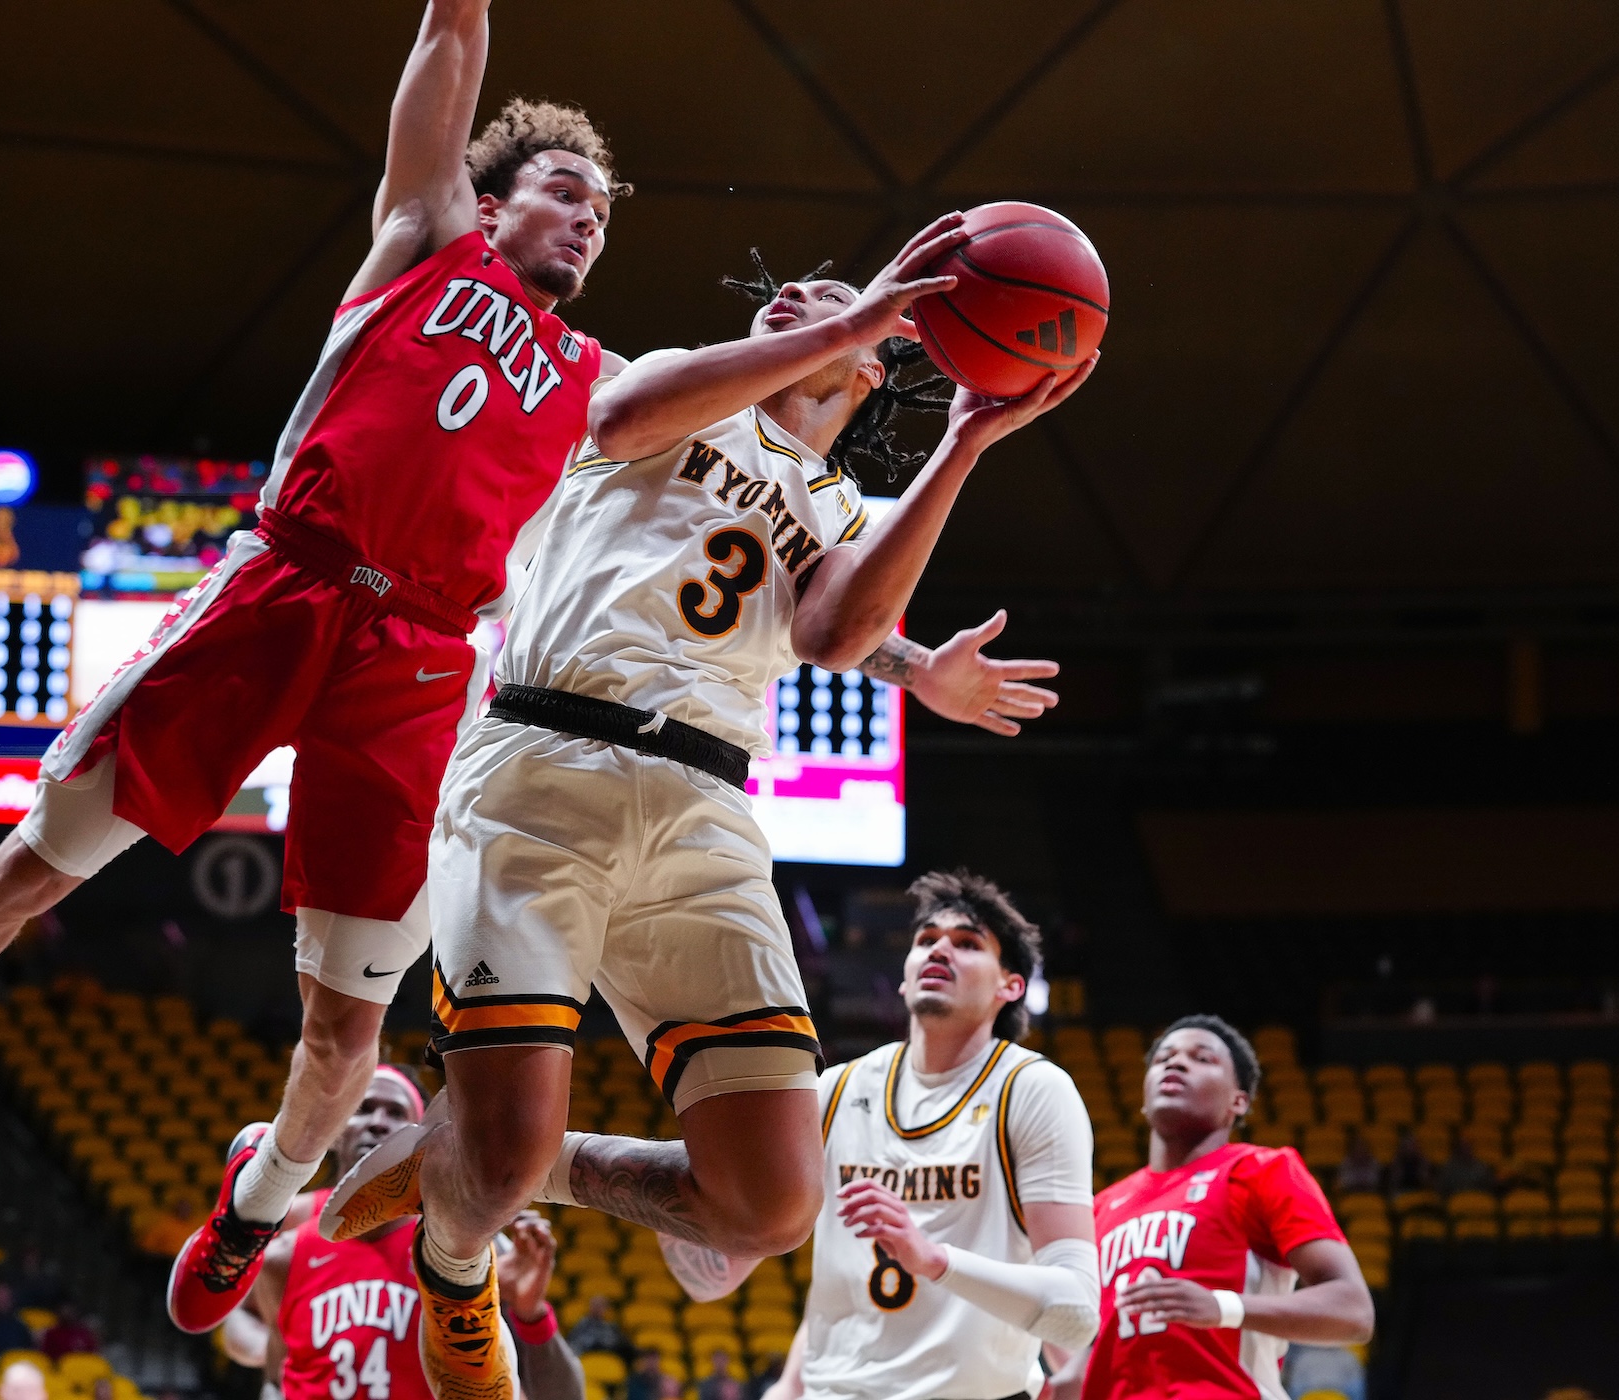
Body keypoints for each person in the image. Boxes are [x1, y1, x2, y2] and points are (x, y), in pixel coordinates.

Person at [0, 0, 624, 1344]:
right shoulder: (426, 239)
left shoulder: (602, 383)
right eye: (565, 188)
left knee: (344, 1033)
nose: (590, 217)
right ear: (489, 202)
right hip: (281, 587)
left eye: (607, 212)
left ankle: (256, 1208)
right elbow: (447, 47)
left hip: (422, 661)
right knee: (37, 865)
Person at [325, 230, 1091, 1399]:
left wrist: (965, 439)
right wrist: (847, 319)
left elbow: (835, 633)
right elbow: (616, 421)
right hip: (543, 763)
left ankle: (533, 1162)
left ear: (878, 365)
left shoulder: (839, 503)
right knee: (496, 1157)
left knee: (772, 1202)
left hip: (706, 810)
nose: (798, 295)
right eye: (794, 295)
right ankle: (454, 1256)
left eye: (831, 298)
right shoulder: (679, 380)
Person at [750, 872, 1100, 1400]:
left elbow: (1075, 1312)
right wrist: (788, 1386)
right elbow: (840, 1281)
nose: (940, 949)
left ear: (1011, 986)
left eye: (967, 943)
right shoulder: (838, 1089)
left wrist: (934, 1259)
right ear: (904, 976)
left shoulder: (1032, 1090)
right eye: (926, 939)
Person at [217, 1066, 583, 1400]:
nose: (377, 1123)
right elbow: (251, 1336)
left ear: (422, 1139)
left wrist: (531, 1312)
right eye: (363, 1109)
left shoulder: (465, 1247)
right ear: (335, 1130)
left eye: (395, 1113)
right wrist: (270, 1350)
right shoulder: (290, 1235)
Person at [1072, 1015, 1374, 1400]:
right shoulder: (1100, 1208)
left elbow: (1353, 1312)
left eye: (1202, 1058)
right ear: (1145, 1097)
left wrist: (1222, 1307)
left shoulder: (1261, 1170)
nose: (1176, 1063)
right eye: (1163, 1058)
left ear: (1238, 1101)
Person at [563, 1296, 628, 1359]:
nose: (597, 1309)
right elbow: (572, 1342)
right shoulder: (581, 1324)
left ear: (606, 1309)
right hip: (585, 1356)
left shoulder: (612, 1327)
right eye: (595, 1305)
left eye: (601, 1306)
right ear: (590, 1307)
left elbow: (617, 1344)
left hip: (607, 1356)